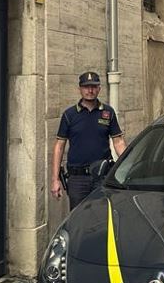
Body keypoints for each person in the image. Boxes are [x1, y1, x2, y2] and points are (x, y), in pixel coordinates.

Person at [51, 71, 126, 210]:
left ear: (99, 88)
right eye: (86, 87)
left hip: (102, 177)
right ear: (79, 89)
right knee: (79, 217)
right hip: (77, 179)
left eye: (94, 86)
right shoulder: (69, 115)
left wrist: (127, 167)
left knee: (103, 216)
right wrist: (55, 179)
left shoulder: (108, 112)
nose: (90, 90)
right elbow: (59, 146)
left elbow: (118, 142)